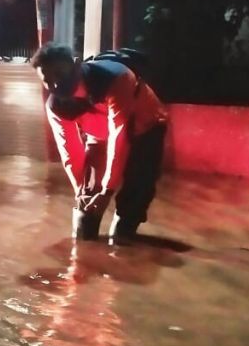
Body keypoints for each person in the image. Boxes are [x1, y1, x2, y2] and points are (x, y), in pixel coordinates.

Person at [31, 43, 168, 243]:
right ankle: (82, 262)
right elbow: (70, 151)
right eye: (48, 81)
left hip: (145, 130)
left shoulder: (116, 78)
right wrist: (82, 191)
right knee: (85, 210)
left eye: (59, 74)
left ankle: (123, 241)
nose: (55, 85)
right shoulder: (56, 105)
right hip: (99, 137)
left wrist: (106, 191)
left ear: (77, 65)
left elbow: (120, 136)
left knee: (132, 203)